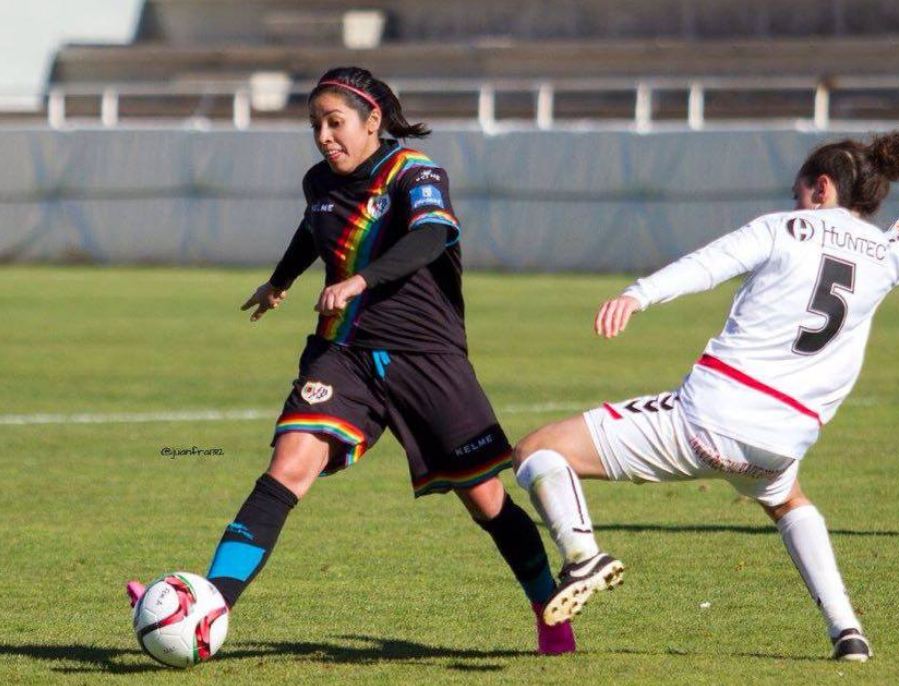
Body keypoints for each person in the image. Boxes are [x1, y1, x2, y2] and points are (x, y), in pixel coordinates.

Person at [127, 66, 575, 656]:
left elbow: (433, 236)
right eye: (315, 124)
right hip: (344, 353)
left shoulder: (415, 172)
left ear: (372, 122)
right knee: (288, 466)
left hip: (426, 357)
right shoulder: (320, 181)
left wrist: (361, 279)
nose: (323, 136)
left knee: (485, 500)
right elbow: (315, 229)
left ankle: (551, 614)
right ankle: (207, 606)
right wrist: (279, 281)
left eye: (334, 122)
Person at [512, 98, 899, 662]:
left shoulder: (786, 228)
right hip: (782, 440)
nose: (796, 201)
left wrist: (638, 293)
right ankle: (847, 631)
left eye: (800, 191)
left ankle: (583, 556)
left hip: (706, 419)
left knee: (538, 451)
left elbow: (710, 263)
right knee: (788, 502)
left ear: (822, 188)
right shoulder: (887, 254)